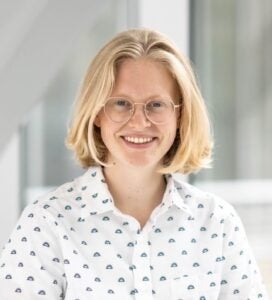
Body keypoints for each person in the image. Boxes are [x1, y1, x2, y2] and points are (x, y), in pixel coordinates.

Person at [0, 29, 268, 300]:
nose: (139, 121)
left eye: (156, 104)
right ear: (96, 113)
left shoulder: (216, 222)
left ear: (181, 115)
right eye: (121, 103)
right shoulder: (47, 222)